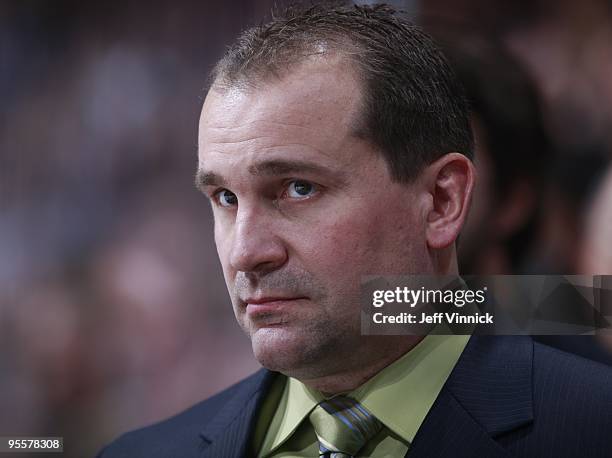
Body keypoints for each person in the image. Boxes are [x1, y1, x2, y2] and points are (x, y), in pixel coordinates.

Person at [97, 4, 612, 457]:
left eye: (300, 188)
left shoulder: (568, 346)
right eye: (225, 198)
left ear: (447, 196)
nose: (247, 252)